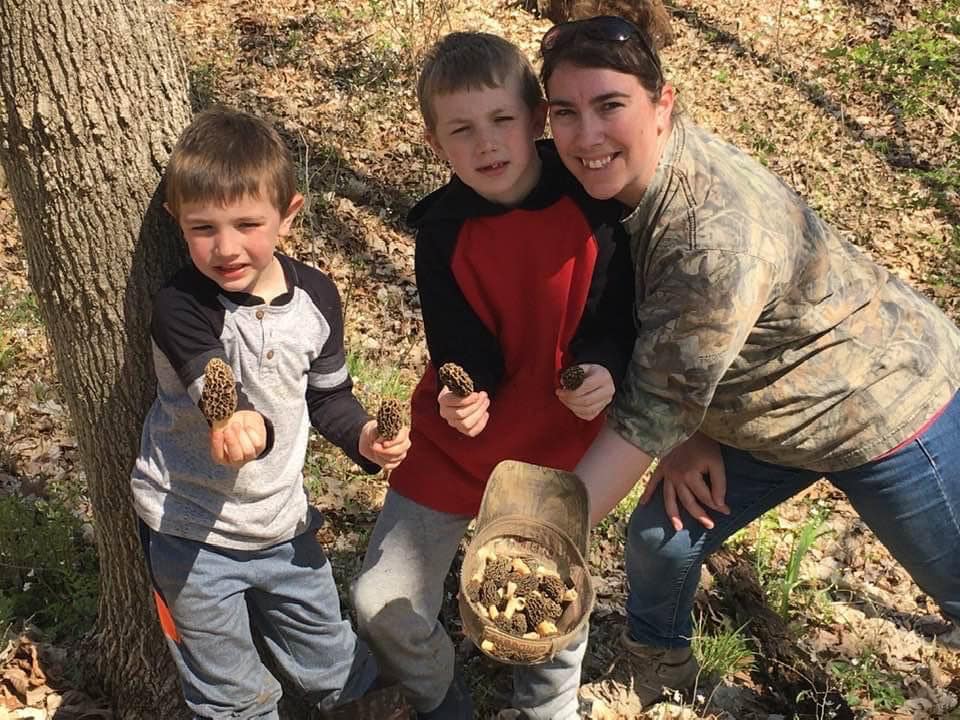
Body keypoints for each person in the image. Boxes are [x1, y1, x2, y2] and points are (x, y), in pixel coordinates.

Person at [539, 14, 960, 709]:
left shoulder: (712, 235)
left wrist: (544, 539)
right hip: (762, 409)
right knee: (658, 541)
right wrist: (688, 431)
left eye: (611, 106)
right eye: (566, 112)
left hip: (888, 405)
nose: (586, 137)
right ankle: (659, 667)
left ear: (662, 103)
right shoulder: (621, 177)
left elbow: (650, 411)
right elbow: (671, 353)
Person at [350, 32, 635, 720]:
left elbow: (620, 314)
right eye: (463, 130)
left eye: (502, 120)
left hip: (556, 447)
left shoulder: (595, 201)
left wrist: (607, 366)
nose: (487, 145)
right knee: (376, 601)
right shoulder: (442, 230)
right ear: (434, 142)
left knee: (550, 599)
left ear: (537, 118)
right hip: (456, 447)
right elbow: (457, 342)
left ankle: (548, 709)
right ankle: (440, 699)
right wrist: (462, 392)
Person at [130, 106, 411, 719]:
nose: (225, 247)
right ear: (175, 220)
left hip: (283, 527)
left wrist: (364, 436)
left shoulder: (316, 298)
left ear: (289, 214)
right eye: (203, 228)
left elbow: (329, 396)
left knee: (334, 661)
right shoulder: (181, 303)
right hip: (189, 534)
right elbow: (209, 374)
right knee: (228, 690)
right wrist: (231, 419)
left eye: (247, 223)